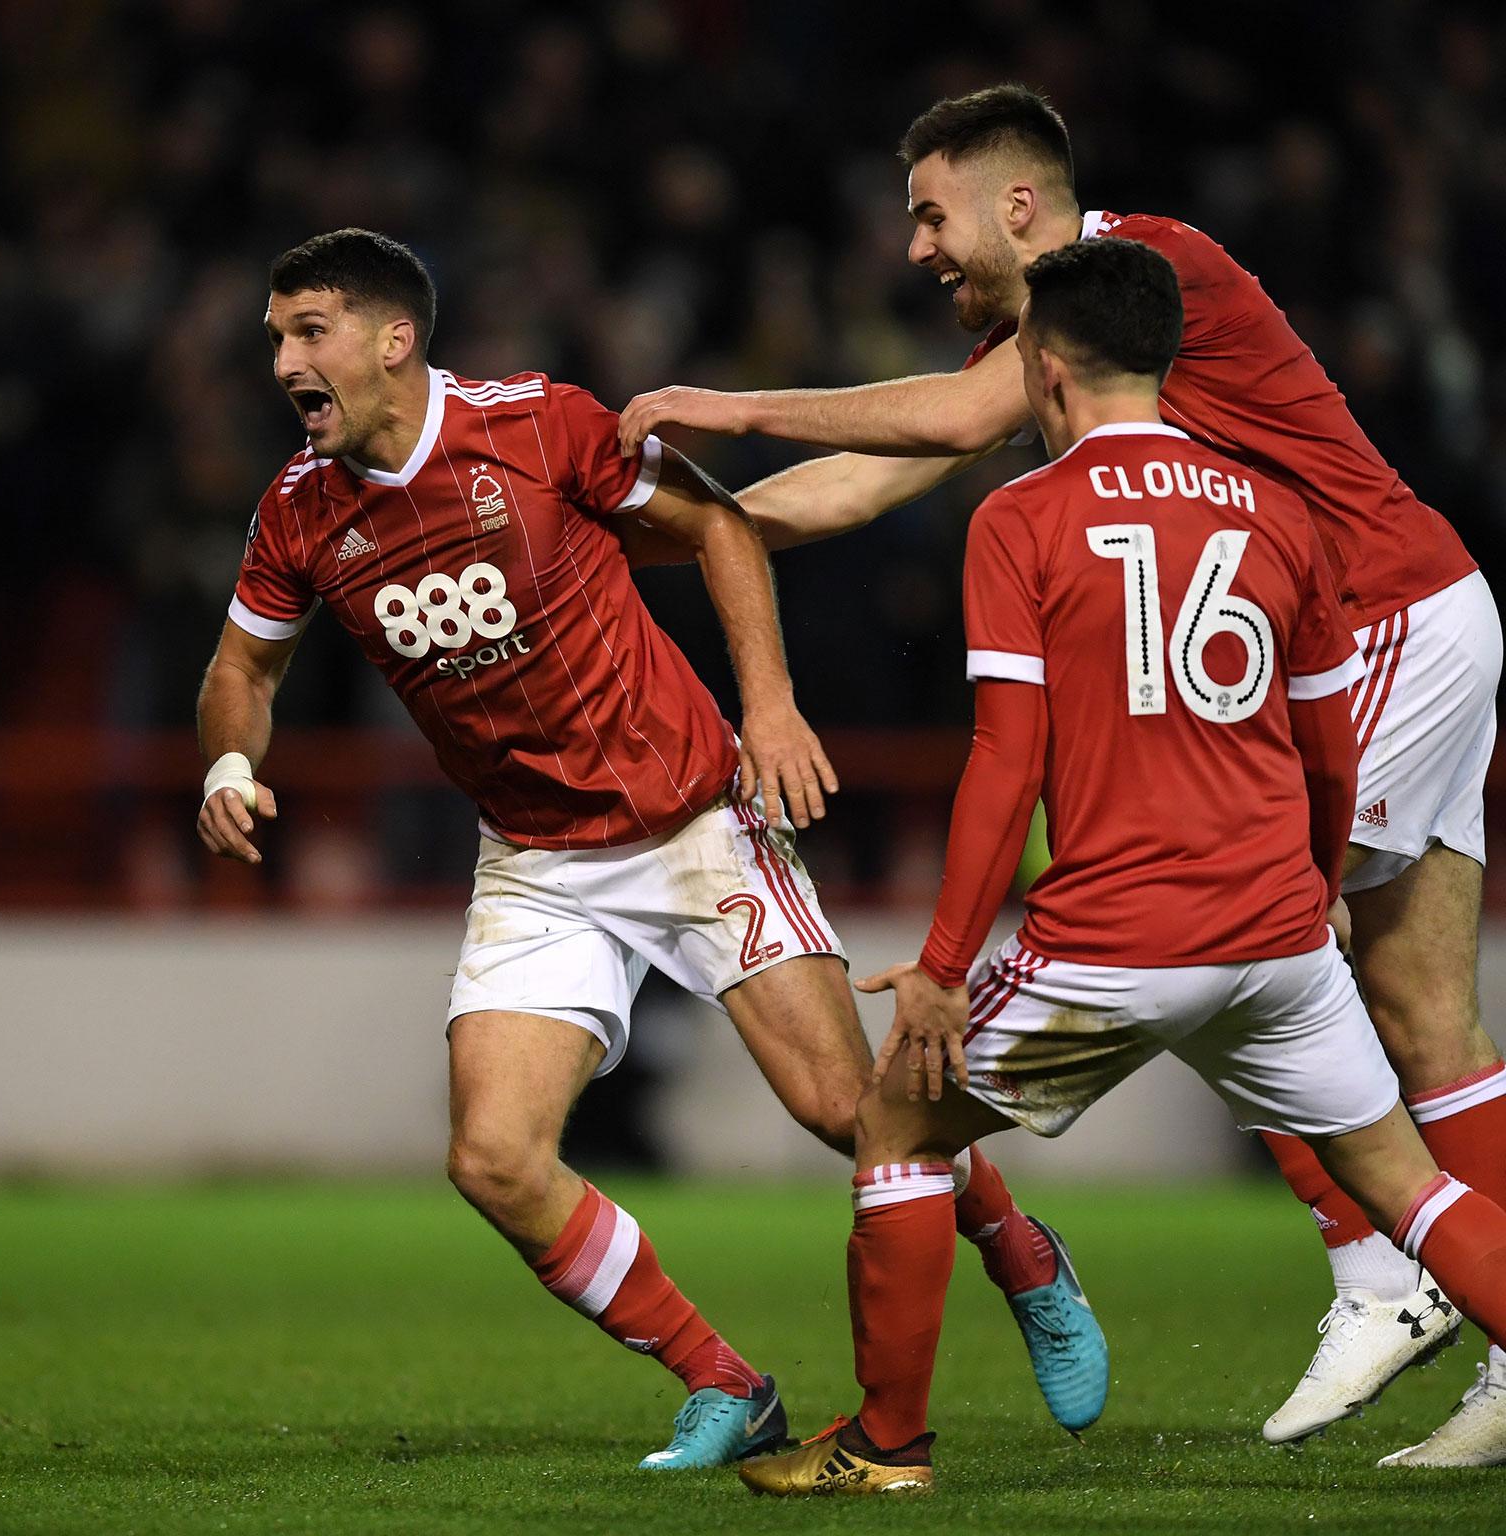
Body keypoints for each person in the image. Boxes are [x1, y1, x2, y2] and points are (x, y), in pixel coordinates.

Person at [620, 83, 1502, 1465]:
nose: (916, 249)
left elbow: (944, 423)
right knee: (1415, 1019)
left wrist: (719, 405)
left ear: (1018, 205)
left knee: (1252, 938)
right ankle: (1441, 1306)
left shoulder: (1155, 267)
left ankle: (1379, 1268)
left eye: (931, 213)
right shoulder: (1069, 359)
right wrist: (651, 537)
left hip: (1381, 614)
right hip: (1408, 615)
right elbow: (863, 479)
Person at [195, 227, 1106, 1470]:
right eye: (275, 338)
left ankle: (1020, 1251)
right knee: (493, 1159)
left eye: (307, 332)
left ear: (391, 340)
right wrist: (229, 760)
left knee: (847, 1112)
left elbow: (720, 527)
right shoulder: (298, 512)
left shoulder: (534, 425)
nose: (284, 359)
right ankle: (721, 1378)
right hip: (535, 858)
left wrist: (769, 707)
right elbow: (242, 665)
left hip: (694, 820)